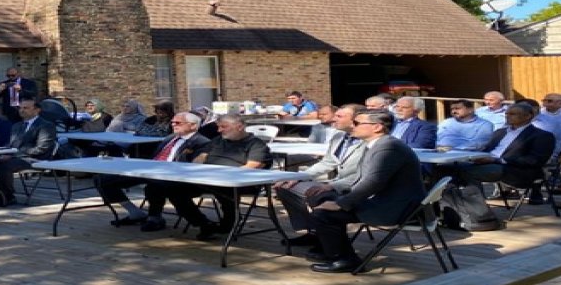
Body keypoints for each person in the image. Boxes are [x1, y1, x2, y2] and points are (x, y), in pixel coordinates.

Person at [305, 110, 426, 273]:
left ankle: (344, 260)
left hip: (394, 208)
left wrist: (340, 203)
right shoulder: (376, 145)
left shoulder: (389, 148)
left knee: (324, 214)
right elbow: (360, 178)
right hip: (384, 202)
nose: (352, 126)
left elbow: (373, 182)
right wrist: (334, 191)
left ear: (377, 127)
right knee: (321, 197)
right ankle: (329, 249)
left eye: (357, 123)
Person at [141, 114, 270, 238]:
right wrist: (198, 166)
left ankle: (230, 220)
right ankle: (204, 224)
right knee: (173, 190)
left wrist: (222, 175)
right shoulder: (218, 140)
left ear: (239, 127)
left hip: (238, 181)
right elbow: (201, 156)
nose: (219, 130)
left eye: (223, 127)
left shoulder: (256, 144)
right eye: (219, 127)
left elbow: (252, 167)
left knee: (224, 189)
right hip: (208, 179)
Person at [275, 104, 367, 247]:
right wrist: (299, 176)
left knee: (320, 195)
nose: (334, 119)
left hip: (357, 188)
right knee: (284, 186)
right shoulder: (339, 136)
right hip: (336, 182)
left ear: (355, 120)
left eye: (339, 116)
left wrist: (331, 185)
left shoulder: (369, 142)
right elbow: (328, 162)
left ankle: (330, 241)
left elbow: (366, 175)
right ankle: (313, 231)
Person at [98, 111, 209, 227]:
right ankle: (134, 212)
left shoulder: (201, 142)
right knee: (103, 179)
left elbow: (194, 166)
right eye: (172, 122)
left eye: (178, 123)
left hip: (171, 175)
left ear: (193, 126)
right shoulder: (170, 137)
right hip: (150, 170)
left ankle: (155, 218)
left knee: (155, 185)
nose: (173, 125)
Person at [437, 102, 557, 193]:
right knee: (442, 168)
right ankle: (446, 206)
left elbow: (534, 160)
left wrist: (498, 160)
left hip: (513, 169)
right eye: (506, 114)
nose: (507, 117)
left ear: (527, 116)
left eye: (512, 114)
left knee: (464, 172)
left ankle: (476, 210)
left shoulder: (541, 136)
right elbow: (485, 149)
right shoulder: (500, 132)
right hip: (486, 163)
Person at [0, 99, 57, 206]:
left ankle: (7, 197)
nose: (21, 110)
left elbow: (41, 149)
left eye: (25, 108)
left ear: (37, 110)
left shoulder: (46, 125)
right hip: (15, 157)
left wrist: (13, 155)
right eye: (20, 108)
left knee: (4, 166)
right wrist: (2, 152)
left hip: (36, 159)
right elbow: (11, 144)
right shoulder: (17, 125)